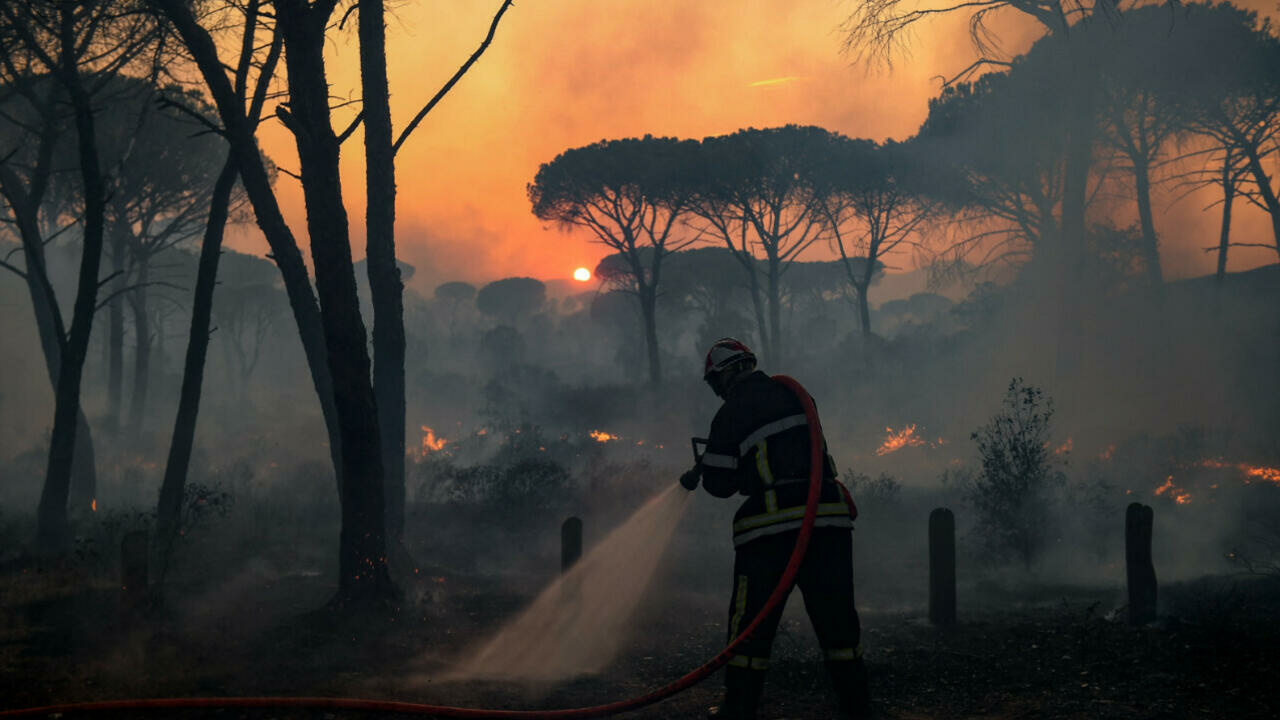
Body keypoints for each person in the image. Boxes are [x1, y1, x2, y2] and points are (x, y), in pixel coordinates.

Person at [680, 337, 869, 720]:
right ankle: (856, 703)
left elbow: (719, 485)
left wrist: (716, 464)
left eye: (716, 382)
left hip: (770, 532)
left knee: (750, 627)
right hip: (827, 522)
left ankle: (740, 706)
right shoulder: (797, 395)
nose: (718, 391)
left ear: (729, 373)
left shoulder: (731, 412)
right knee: (838, 621)